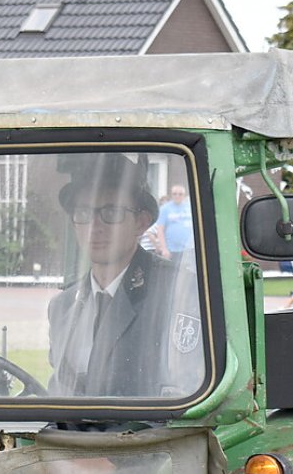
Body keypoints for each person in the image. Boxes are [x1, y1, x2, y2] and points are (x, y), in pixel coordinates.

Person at [48, 158, 202, 398]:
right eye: (83, 213)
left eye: (112, 212)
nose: (94, 226)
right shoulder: (62, 307)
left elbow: (188, 396)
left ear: (141, 223)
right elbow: (60, 395)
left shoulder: (177, 292)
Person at [151, 183, 195, 259]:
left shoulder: (190, 208)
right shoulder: (165, 209)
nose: (177, 196)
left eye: (180, 194)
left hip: (188, 250)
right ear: (171, 195)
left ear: (184, 195)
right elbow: (160, 230)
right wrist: (164, 249)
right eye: (175, 194)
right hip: (171, 250)